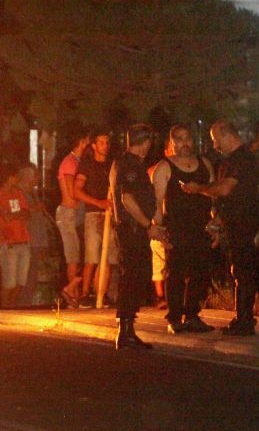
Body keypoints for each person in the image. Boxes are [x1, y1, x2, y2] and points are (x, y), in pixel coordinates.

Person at [182, 120, 259, 336]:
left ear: (228, 136)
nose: (215, 146)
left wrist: (199, 189)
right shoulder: (232, 160)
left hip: (241, 222)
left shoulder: (242, 160)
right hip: (233, 221)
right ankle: (243, 318)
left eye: (217, 141)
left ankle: (244, 320)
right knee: (238, 269)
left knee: (242, 270)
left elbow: (226, 189)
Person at [150, 124, 216, 335]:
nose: (184, 143)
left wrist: (215, 225)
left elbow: (213, 195)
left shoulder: (204, 164)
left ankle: (193, 315)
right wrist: (160, 230)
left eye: (187, 138)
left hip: (201, 227)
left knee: (200, 273)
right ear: (171, 143)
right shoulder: (165, 167)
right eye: (179, 139)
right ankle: (175, 317)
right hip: (176, 228)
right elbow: (157, 202)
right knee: (175, 273)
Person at [109, 124, 162, 350]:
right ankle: (126, 331)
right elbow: (127, 199)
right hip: (132, 229)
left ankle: (128, 330)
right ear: (145, 142)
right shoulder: (130, 165)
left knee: (135, 275)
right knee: (132, 276)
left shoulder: (124, 163)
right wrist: (146, 224)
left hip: (132, 228)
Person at [75, 129, 116, 307]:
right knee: (91, 257)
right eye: (101, 142)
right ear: (94, 145)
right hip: (93, 213)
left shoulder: (112, 165)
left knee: (108, 257)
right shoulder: (87, 164)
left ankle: (102, 293)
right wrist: (98, 202)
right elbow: (76, 191)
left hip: (109, 214)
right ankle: (85, 294)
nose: (105, 146)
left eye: (107, 142)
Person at [55, 129, 90, 305]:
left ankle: (73, 292)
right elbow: (71, 192)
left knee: (79, 254)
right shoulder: (70, 162)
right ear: (82, 141)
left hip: (75, 214)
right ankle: (72, 293)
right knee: (73, 256)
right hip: (69, 213)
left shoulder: (77, 161)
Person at [0, 164, 31, 308]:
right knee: (9, 282)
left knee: (21, 281)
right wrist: (17, 215)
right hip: (9, 242)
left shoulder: (18, 193)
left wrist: (13, 215)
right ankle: (4, 308)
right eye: (15, 176)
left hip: (23, 240)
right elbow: (4, 217)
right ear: (9, 177)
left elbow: (27, 214)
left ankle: (11, 307)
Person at [20, 162, 50, 307]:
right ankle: (23, 301)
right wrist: (35, 208)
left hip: (37, 238)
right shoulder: (20, 193)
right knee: (27, 271)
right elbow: (22, 213)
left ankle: (27, 300)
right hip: (28, 238)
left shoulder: (33, 193)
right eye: (35, 176)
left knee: (33, 271)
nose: (37, 179)